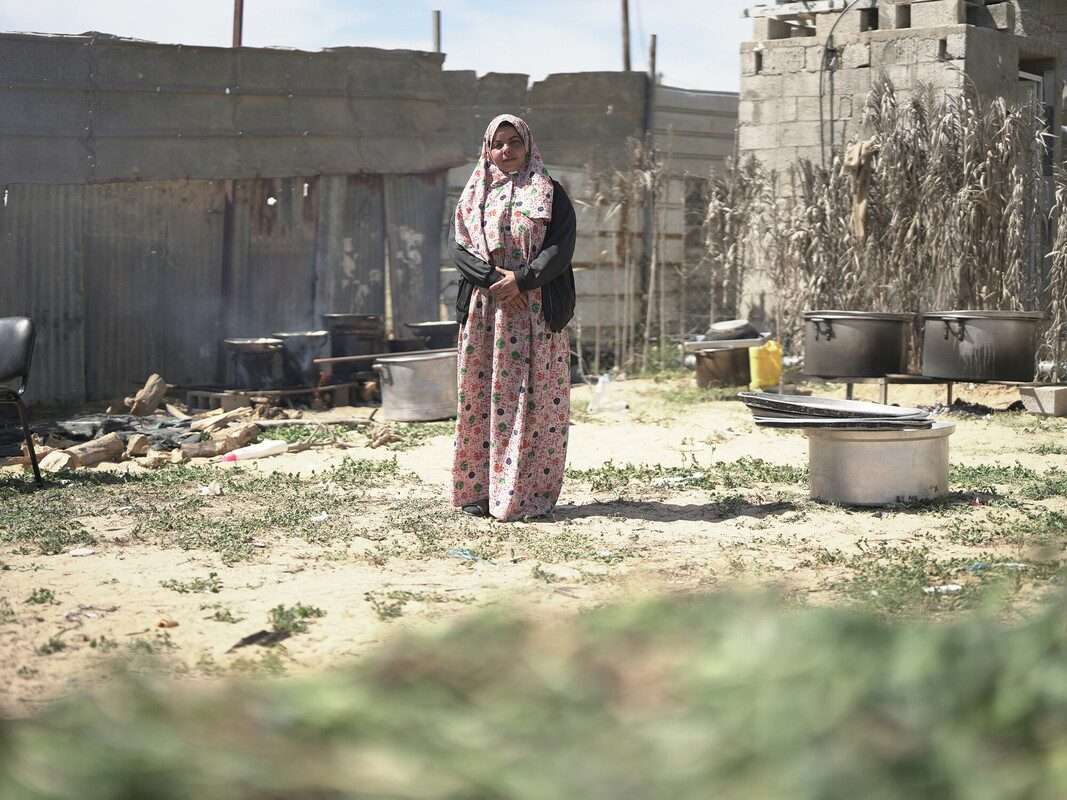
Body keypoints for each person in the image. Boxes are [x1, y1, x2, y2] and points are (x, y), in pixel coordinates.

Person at [449, 114, 577, 522]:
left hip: (535, 313)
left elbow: (561, 245)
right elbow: (460, 247)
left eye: (514, 142)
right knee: (480, 401)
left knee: (535, 403)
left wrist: (522, 280)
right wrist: (494, 282)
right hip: (487, 314)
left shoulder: (550, 192)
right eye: (498, 143)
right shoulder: (473, 195)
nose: (507, 151)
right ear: (487, 149)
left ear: (528, 145)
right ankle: (477, 493)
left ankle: (527, 494)